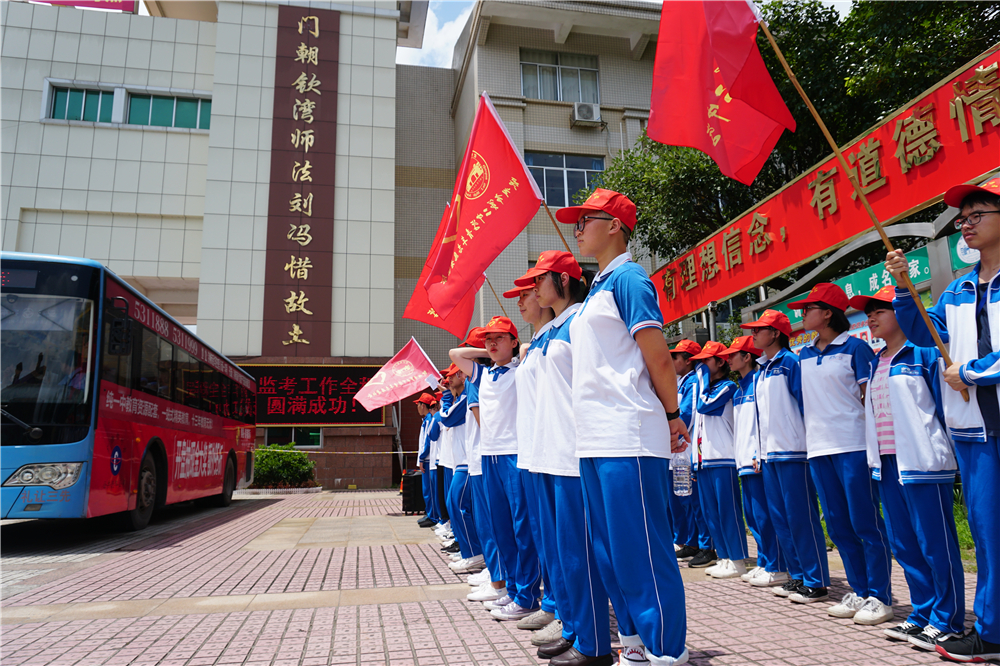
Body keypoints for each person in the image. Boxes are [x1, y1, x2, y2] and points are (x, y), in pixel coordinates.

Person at [557, 188, 689, 666]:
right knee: (609, 551)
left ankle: (666, 649)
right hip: (595, 438)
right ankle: (633, 642)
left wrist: (672, 415)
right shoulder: (599, 287)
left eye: (584, 220)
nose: (577, 230)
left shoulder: (630, 279)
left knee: (642, 550)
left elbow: (658, 357)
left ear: (614, 225)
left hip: (629, 433)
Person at [885, 176, 1000, 663]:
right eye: (963, 218)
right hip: (975, 432)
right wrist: (903, 287)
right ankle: (992, 633)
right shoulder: (958, 289)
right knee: (988, 533)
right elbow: (924, 333)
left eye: (977, 215)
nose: (966, 224)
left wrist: (971, 372)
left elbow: (972, 364)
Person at [849, 286, 965, 651]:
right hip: (887, 463)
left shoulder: (925, 353)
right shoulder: (876, 360)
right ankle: (923, 612)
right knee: (905, 544)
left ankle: (948, 620)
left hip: (922, 462)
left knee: (935, 543)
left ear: (904, 312)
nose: (871, 317)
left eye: (880, 310)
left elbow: (945, 407)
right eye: (869, 312)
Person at [519, 251, 612, 666]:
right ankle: (574, 629)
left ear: (564, 280)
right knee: (559, 553)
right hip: (544, 454)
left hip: (571, 455)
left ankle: (594, 645)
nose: (534, 288)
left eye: (540, 279)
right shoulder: (548, 333)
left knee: (579, 554)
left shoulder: (580, 322)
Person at [789, 283, 892, 620]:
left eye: (808, 309)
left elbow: (869, 397)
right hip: (819, 449)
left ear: (827, 313)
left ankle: (880, 596)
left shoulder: (855, 348)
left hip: (853, 446)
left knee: (865, 523)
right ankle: (859, 591)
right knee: (837, 525)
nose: (802, 315)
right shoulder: (803, 354)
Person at [451, 316, 541, 622]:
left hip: (513, 454)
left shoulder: (519, 370)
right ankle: (513, 592)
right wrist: (487, 350)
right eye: (488, 338)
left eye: (499, 337)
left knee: (520, 528)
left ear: (513, 341)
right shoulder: (484, 374)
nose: (491, 343)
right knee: (501, 528)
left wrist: (516, 351)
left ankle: (528, 596)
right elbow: (455, 354)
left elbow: (529, 349)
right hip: (488, 457)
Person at [741, 310, 830, 603]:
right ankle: (798, 575)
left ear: (776, 333)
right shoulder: (762, 370)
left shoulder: (791, 362)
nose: (754, 334)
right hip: (769, 456)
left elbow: (805, 404)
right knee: (781, 519)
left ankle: (816, 580)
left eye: (759, 329)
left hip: (794, 452)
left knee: (801, 517)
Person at [505, 277, 559, 635]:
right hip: (531, 453)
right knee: (543, 537)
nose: (522, 301)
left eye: (527, 294)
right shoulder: (535, 344)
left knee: (560, 540)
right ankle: (553, 603)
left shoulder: (560, 333)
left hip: (554, 453)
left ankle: (567, 613)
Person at [723, 335, 788, 587]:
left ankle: (777, 565)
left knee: (765, 516)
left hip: (756, 459)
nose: (728, 359)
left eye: (733, 355)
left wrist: (756, 453)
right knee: (753, 516)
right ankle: (764, 561)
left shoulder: (758, 382)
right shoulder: (740, 387)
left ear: (747, 357)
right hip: (744, 461)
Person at [689, 341, 748, 580]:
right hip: (704, 460)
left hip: (723, 459)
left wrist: (701, 376)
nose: (701, 366)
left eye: (706, 360)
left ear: (721, 362)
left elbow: (704, 406)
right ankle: (724, 557)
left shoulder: (727, 387)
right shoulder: (706, 388)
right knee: (711, 513)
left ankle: (737, 559)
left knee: (727, 512)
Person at [669, 340, 713, 567]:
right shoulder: (680, 382)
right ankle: (690, 541)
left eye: (676, 357)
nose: (671, 361)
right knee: (682, 499)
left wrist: (672, 435)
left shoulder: (693, 381)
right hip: (676, 451)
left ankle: (705, 546)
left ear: (688, 361)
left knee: (693, 500)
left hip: (686, 450)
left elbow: (687, 414)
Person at [439, 365, 484, 573]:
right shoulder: (461, 398)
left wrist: (446, 396)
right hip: (462, 462)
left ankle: (474, 553)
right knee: (456, 504)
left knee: (458, 504)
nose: (447, 381)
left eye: (452, 375)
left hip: (469, 461)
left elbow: (446, 417)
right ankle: (470, 551)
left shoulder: (467, 395)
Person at [415, 393, 439, 528]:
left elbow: (427, 442)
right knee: (427, 490)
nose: (417, 407)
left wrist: (422, 457)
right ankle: (430, 513)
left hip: (429, 459)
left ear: (423, 405)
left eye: (418, 405)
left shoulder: (430, 420)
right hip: (427, 459)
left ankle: (433, 516)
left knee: (430, 490)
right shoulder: (426, 420)